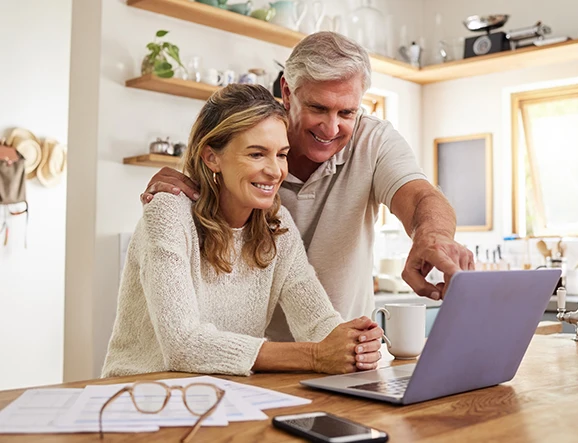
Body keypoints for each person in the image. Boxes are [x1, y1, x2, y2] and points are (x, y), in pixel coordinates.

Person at [140, 32, 474, 342]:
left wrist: (433, 237)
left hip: (333, 348)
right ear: (287, 91)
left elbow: (420, 197)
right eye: (318, 107)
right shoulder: (245, 146)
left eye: (347, 112)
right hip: (248, 357)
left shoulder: (374, 141)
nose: (331, 128)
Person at [102, 84, 383, 378]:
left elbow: (318, 324)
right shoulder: (169, 212)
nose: (275, 171)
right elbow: (183, 345)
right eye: (257, 154)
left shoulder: (277, 225)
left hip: (224, 397)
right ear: (212, 157)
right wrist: (315, 355)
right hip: (139, 398)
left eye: (281, 155)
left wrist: (355, 343)